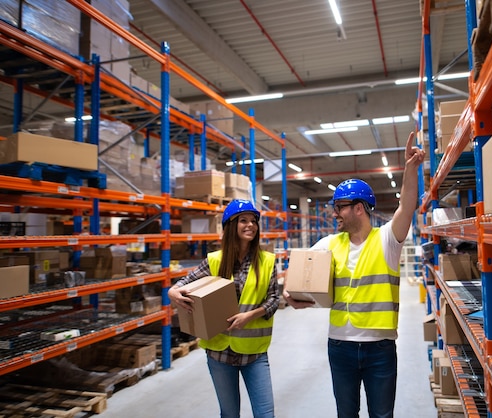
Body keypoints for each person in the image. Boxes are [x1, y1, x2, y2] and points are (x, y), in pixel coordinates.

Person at [283, 131, 426, 418]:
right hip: (340, 346)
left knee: (381, 416)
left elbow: (406, 206)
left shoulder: (388, 240)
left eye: (340, 207)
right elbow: (297, 270)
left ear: (358, 208)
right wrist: (290, 293)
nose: (335, 213)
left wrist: (411, 169)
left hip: (380, 348)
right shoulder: (329, 244)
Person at [168, 199, 279, 418]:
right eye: (243, 221)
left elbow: (274, 299)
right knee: (229, 414)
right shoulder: (214, 261)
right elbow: (182, 285)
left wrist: (251, 315)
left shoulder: (266, 261)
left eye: (254, 221)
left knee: (266, 413)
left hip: (254, 351)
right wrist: (172, 292)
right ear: (230, 226)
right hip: (219, 352)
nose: (251, 226)